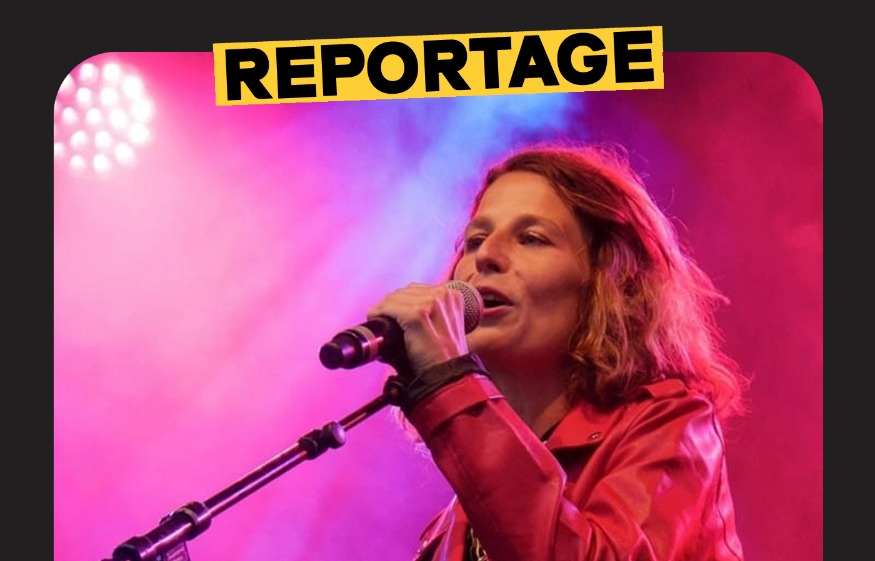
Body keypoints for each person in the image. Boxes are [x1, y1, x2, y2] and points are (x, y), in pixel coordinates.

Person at [366, 141, 750, 561]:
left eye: (531, 239)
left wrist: (449, 382)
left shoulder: (673, 425)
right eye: (475, 240)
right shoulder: (452, 524)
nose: (486, 256)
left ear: (607, 281)